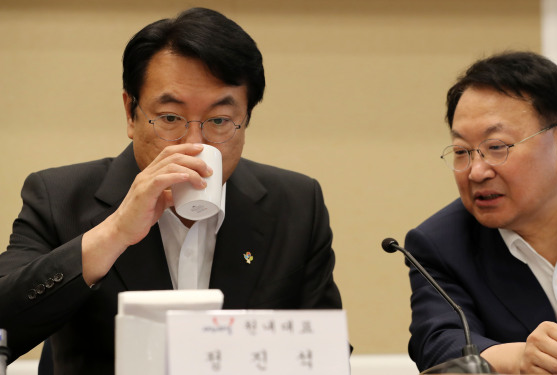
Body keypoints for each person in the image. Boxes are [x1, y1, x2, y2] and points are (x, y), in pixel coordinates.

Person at [0, 7, 342, 374]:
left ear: (246, 121)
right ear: (131, 113)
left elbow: (325, 351)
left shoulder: (295, 204)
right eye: (170, 119)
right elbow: (6, 322)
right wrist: (113, 233)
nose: (194, 144)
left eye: (220, 121)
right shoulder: (60, 197)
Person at [406, 51, 557, 375]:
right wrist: (516, 359)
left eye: (497, 147)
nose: (476, 171)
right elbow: (437, 346)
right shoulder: (441, 245)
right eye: (462, 151)